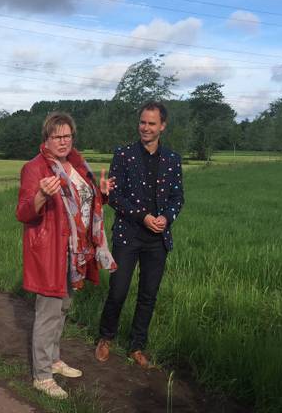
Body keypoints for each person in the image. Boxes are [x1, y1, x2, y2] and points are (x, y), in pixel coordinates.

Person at [16, 112, 116, 399]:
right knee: (48, 313)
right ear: (46, 139)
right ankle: (42, 376)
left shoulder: (77, 164)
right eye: (57, 136)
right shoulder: (34, 168)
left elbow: (86, 202)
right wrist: (41, 196)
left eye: (67, 135)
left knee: (63, 309)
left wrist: (103, 194)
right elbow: (23, 212)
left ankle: (54, 359)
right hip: (51, 252)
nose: (63, 141)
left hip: (76, 252)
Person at [94, 101, 185, 369]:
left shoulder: (172, 159)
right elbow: (115, 197)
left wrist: (166, 217)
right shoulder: (123, 155)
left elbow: (178, 198)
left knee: (148, 294)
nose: (145, 128)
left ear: (163, 126)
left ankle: (136, 346)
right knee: (118, 290)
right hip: (129, 234)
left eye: (151, 123)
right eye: (142, 122)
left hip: (157, 239)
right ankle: (106, 337)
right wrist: (142, 217)